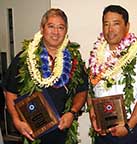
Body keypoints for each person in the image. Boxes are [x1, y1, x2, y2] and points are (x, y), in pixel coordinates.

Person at [3, 8, 88, 144]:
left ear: (66, 31)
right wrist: (16, 120)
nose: (55, 32)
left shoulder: (74, 59)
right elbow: (10, 92)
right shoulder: (24, 58)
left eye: (61, 27)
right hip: (32, 133)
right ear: (42, 29)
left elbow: (82, 90)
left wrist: (72, 112)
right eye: (51, 26)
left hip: (64, 133)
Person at [87, 5, 137, 144]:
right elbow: (90, 90)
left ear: (127, 26)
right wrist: (93, 116)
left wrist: (128, 126)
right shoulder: (96, 55)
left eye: (116, 24)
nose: (110, 29)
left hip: (126, 131)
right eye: (106, 24)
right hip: (101, 131)